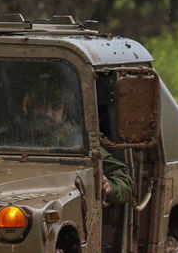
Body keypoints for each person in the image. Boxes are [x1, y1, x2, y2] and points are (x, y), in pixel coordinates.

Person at [18, 74, 132, 206]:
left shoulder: (77, 141)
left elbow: (125, 181)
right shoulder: (9, 136)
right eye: (41, 105)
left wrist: (109, 187)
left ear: (65, 112)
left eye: (55, 107)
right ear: (30, 108)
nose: (47, 113)